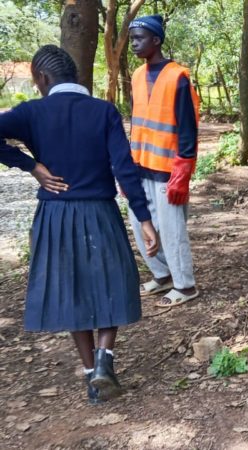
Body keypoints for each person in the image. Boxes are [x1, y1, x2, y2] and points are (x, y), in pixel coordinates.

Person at [0, 45, 159, 404]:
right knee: (111, 283)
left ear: (41, 78)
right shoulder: (102, 111)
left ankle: (91, 375)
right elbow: (124, 168)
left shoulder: (32, 112)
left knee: (71, 290)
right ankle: (105, 361)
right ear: (75, 75)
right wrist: (145, 219)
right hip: (99, 212)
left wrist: (30, 166)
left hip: (56, 216)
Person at [127, 15, 201, 308]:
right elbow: (136, 122)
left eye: (139, 38)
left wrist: (183, 170)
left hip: (168, 169)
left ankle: (185, 285)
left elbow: (187, 127)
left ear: (156, 40)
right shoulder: (135, 76)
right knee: (139, 225)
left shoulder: (177, 77)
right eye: (132, 38)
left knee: (172, 232)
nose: (133, 43)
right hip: (139, 165)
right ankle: (162, 275)